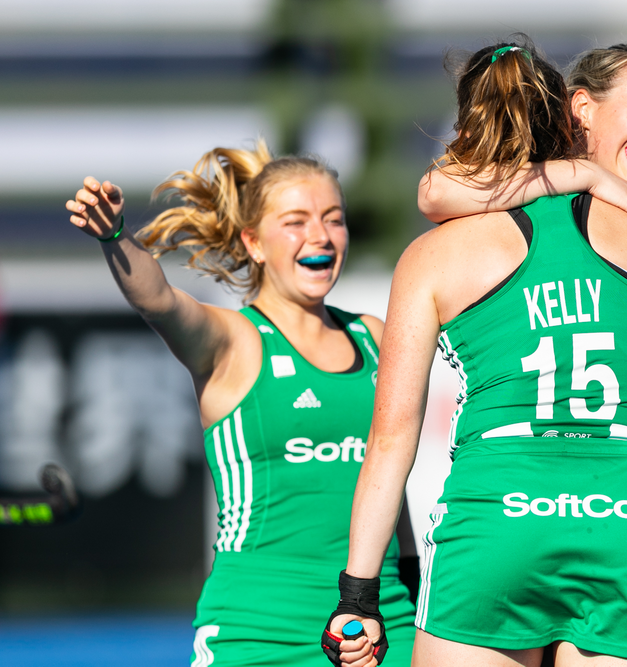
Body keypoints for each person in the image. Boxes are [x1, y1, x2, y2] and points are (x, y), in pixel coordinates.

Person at [327, 40, 627, 667]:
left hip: (495, 525)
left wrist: (358, 596)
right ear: (577, 108)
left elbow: (391, 440)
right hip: (625, 526)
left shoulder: (433, 252)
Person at [65, 143, 416, 667]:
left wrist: (411, 578)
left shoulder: (375, 337)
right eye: (295, 222)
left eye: (333, 219)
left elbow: (390, 474)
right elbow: (158, 300)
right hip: (257, 628)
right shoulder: (234, 340)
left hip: (380, 623)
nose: (320, 235)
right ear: (254, 242)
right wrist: (114, 235)